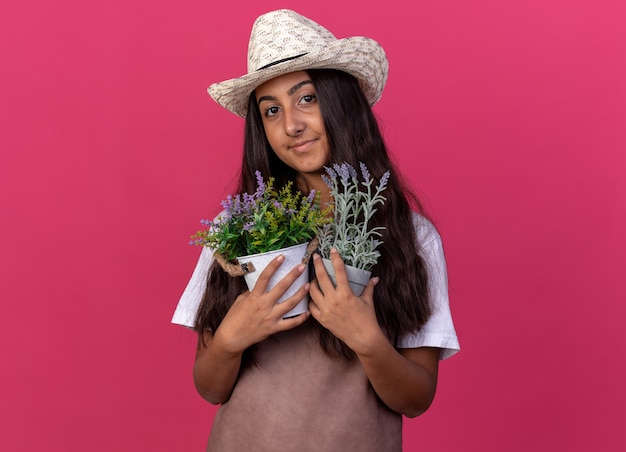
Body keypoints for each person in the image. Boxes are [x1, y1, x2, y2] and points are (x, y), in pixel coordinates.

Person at [172, 9, 460, 451]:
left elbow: (417, 398)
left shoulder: (411, 237)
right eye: (271, 110)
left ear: (342, 101)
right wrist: (231, 339)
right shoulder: (239, 231)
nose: (291, 125)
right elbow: (210, 387)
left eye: (306, 98)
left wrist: (367, 339)